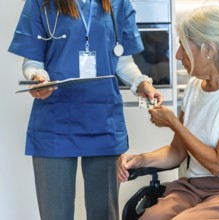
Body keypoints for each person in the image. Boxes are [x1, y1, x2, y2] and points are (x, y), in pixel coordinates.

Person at [8, 0, 163, 219]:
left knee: (104, 214)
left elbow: (122, 60)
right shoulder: (41, 3)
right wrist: (38, 78)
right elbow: (33, 60)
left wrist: (141, 82)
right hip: (55, 120)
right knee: (55, 214)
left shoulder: (118, 3)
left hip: (103, 119)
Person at [118, 5, 219, 220]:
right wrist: (141, 159)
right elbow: (177, 152)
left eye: (183, 46)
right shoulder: (194, 87)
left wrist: (175, 123)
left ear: (208, 50)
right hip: (192, 189)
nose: (178, 55)